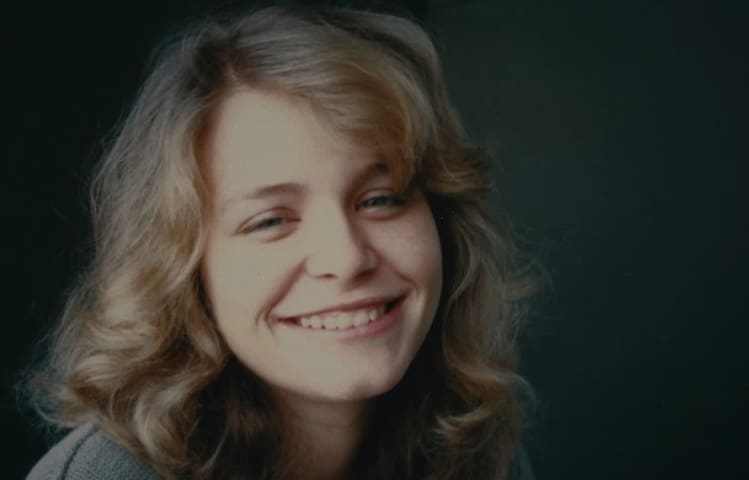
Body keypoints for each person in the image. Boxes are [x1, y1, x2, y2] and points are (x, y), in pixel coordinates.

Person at [22, 4, 538, 479]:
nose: (346, 257)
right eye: (270, 221)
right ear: (183, 271)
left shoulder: (475, 454)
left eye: (380, 199)